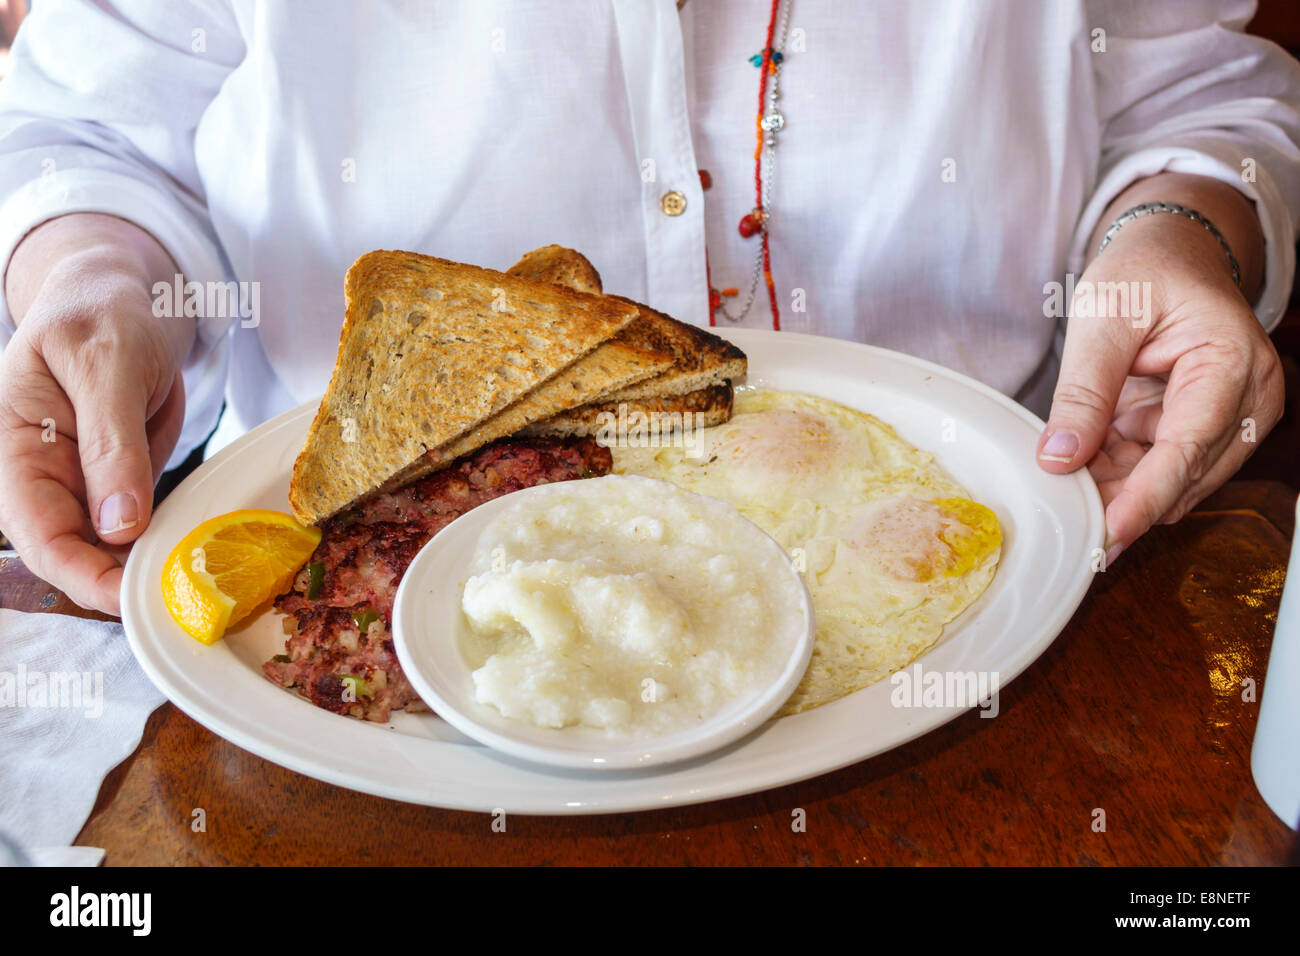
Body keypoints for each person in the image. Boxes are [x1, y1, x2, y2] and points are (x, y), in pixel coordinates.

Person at [0, 0, 1296, 615]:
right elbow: (88, 135)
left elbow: (1195, 102)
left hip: (1011, 583)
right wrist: (91, 283)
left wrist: (1172, 236)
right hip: (358, 606)